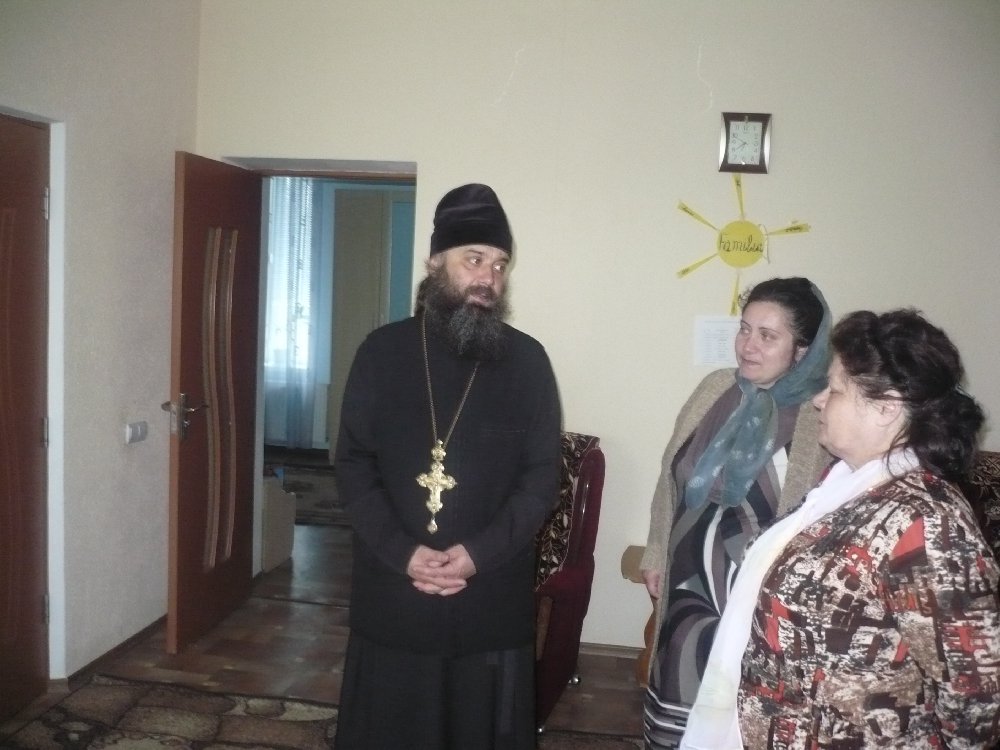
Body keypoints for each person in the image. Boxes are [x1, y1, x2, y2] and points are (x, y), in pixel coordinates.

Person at [682, 308, 1000, 749]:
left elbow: (977, 700)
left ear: (886, 407)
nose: (818, 400)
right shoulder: (843, 486)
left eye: (834, 389)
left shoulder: (928, 523)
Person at [332, 183, 562, 750]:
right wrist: (403, 552)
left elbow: (540, 480)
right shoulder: (381, 352)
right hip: (395, 589)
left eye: (500, 264)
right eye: (474, 259)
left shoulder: (528, 361)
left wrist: (477, 554)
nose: (489, 278)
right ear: (436, 261)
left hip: (488, 593)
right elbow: (354, 464)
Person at [641, 277, 834, 749]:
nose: (748, 345)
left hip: (756, 597)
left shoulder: (820, 413)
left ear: (802, 349)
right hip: (687, 582)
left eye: (768, 336)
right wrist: (656, 550)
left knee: (734, 714)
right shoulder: (714, 389)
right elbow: (670, 475)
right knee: (677, 695)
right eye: (745, 329)